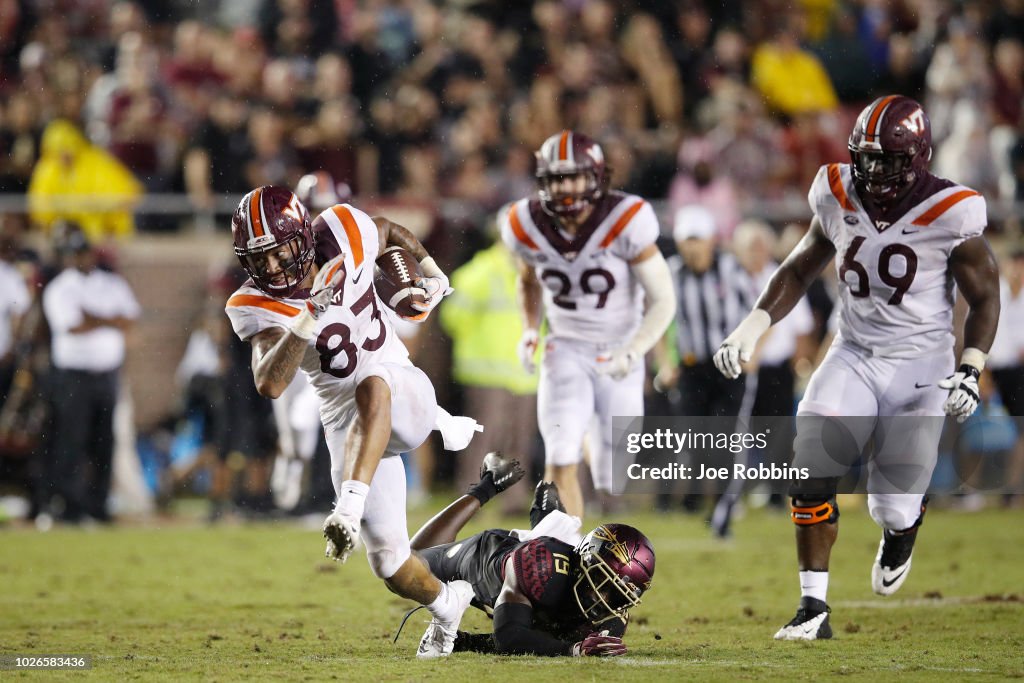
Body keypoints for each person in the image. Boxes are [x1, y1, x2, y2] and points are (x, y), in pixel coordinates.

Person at [713, 95, 1000, 640]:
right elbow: (800, 268)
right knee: (811, 467)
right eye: (865, 158)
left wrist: (970, 366)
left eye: (887, 160)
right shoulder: (836, 189)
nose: (873, 171)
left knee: (889, 508)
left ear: (916, 157)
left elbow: (985, 297)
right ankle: (812, 607)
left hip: (922, 369)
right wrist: (752, 327)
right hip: (855, 353)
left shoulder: (951, 209)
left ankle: (903, 528)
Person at [224, 186, 482, 658]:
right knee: (389, 562)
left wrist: (428, 267)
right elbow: (270, 382)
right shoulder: (252, 303)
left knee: (373, 379)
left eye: (278, 253)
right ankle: (448, 604)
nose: (272, 269)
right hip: (345, 420)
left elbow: (387, 231)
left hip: (403, 387)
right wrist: (307, 318)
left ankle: (347, 504)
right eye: (258, 260)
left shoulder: (341, 230)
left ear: (301, 237)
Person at [503, 130, 676, 517]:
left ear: (596, 176)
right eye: (556, 178)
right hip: (565, 345)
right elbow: (528, 281)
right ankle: (565, 551)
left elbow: (664, 299)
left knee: (614, 470)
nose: (564, 188)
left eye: (573, 177)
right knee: (560, 452)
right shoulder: (525, 222)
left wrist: (634, 349)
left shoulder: (626, 217)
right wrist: (531, 329)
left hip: (620, 347)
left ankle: (590, 441)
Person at [410, 452, 655, 657]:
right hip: (493, 557)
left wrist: (466, 642)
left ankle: (549, 516)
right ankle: (489, 484)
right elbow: (509, 635)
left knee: (554, 626)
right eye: (602, 582)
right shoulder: (541, 567)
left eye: (617, 594)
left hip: (560, 548)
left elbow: (537, 638)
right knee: (408, 565)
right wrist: (574, 649)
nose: (603, 598)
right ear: (586, 563)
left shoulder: (612, 614)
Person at [41, 224, 140, 522]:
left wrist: (95, 318)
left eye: (83, 251)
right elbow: (72, 326)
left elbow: (131, 320)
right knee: (72, 439)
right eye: (75, 253)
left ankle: (98, 505)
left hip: (107, 373)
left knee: (104, 441)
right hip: (73, 375)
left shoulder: (112, 283)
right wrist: (111, 320)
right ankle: (69, 505)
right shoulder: (60, 287)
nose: (80, 257)